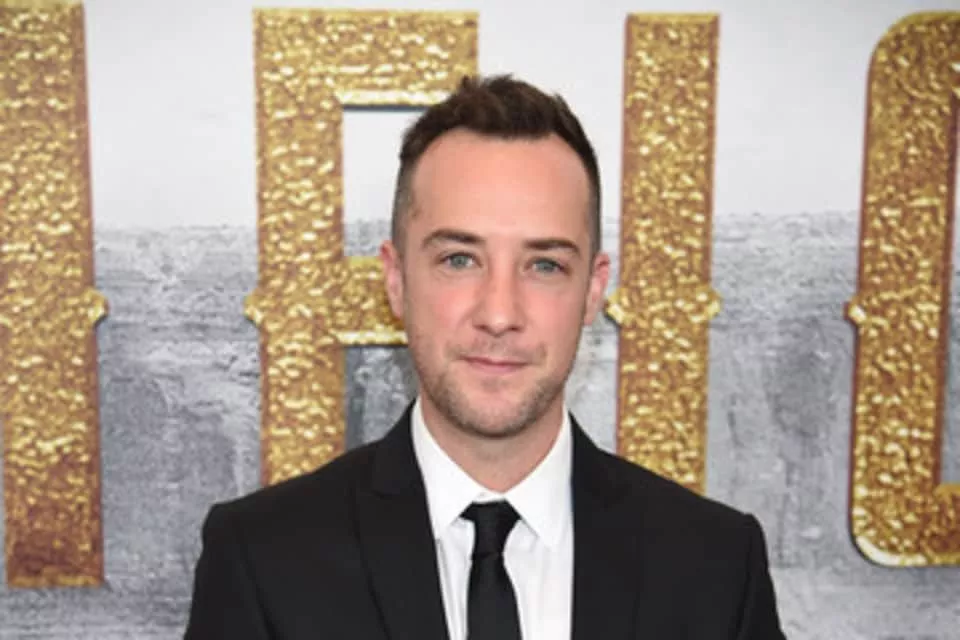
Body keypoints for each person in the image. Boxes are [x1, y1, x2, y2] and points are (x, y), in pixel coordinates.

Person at [184, 75, 785, 640]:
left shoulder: (717, 568)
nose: (499, 313)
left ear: (593, 290)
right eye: (459, 260)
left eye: (544, 265)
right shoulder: (262, 560)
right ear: (395, 279)